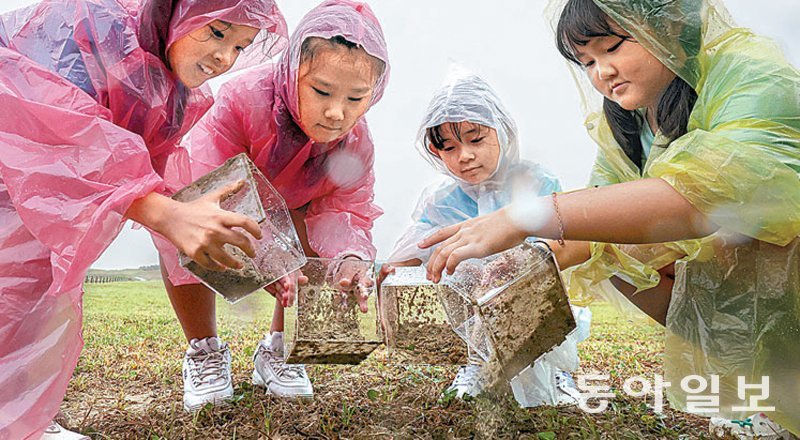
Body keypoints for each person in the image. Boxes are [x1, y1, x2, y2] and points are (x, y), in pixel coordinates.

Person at [421, 0, 799, 436]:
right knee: (619, 250)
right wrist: (525, 263)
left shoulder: (750, 75)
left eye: (613, 48)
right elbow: (600, 215)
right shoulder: (630, 119)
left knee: (751, 239)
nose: (602, 71)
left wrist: (524, 216)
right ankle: (776, 399)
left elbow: (710, 196)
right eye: (587, 62)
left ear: (668, 25)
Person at [0, 0, 288, 437]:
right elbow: (56, 134)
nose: (225, 58)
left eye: (241, 46)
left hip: (34, 215)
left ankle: (20, 420)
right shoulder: (93, 31)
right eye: (216, 33)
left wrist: (258, 264)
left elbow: (148, 168)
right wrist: (165, 213)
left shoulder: (170, 86)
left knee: (36, 296)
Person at [155, 0, 390, 410]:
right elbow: (215, 185)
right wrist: (265, 257)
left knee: (317, 247)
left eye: (356, 98)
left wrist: (350, 257)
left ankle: (279, 349)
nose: (337, 112)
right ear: (292, 70)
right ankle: (204, 349)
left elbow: (345, 209)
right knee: (191, 240)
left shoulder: (356, 141)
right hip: (224, 193)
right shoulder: (243, 99)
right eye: (321, 91)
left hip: (295, 204)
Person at [384, 70, 588, 406]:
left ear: (503, 132)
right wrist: (392, 269)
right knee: (459, 274)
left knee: (529, 273)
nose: (464, 155)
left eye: (476, 140)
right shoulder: (441, 199)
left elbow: (568, 240)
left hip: (531, 300)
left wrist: (519, 263)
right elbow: (419, 242)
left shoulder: (534, 181)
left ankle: (553, 369)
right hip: (470, 307)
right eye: (449, 147)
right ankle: (475, 363)